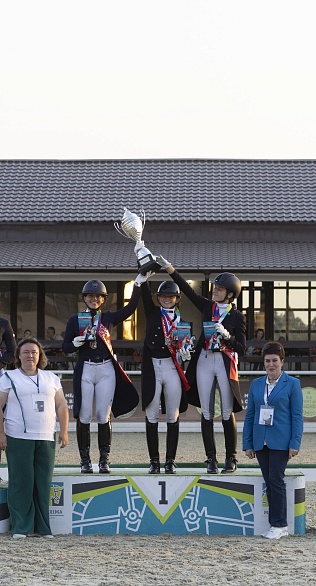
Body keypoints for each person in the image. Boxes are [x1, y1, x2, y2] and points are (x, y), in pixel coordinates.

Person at [156, 256, 246, 474]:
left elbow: (242, 347)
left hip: (224, 361)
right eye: (215, 287)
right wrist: (170, 269)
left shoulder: (236, 316)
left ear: (231, 293)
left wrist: (227, 335)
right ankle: (211, 459)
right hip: (205, 359)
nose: (215, 291)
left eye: (219, 289)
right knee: (206, 411)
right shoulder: (208, 307)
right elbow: (188, 291)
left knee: (226, 411)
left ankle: (231, 458)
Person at [62, 274, 149, 474]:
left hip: (105, 369)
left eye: (98, 296)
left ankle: (104, 460)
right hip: (85, 367)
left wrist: (137, 284)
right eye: (91, 296)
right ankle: (84, 460)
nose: (94, 299)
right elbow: (65, 346)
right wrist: (75, 343)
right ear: (84, 298)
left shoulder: (108, 318)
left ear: (103, 299)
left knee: (103, 415)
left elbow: (130, 309)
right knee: (84, 414)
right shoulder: (75, 320)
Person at [0, 337, 69, 538]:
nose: (30, 355)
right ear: (18, 356)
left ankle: (42, 528)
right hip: (18, 436)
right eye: (26, 352)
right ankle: (22, 527)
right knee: (22, 482)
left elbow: (62, 405)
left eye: (34, 352)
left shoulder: (51, 378)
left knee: (42, 482)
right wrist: (1, 434)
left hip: (46, 436)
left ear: (40, 356)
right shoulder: (8, 377)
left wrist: (64, 431)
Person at [242, 341, 303, 540]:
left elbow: (297, 416)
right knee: (269, 481)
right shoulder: (257, 384)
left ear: (282, 362)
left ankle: (280, 525)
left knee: (276, 480)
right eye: (267, 361)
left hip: (281, 441)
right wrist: (247, 443)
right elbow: (250, 415)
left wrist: (295, 443)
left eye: (275, 360)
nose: (271, 364)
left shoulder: (292, 384)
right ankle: (275, 525)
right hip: (261, 442)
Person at [140, 279, 191, 474]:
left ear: (177, 299)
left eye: (171, 296)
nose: (167, 299)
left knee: (173, 414)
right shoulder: (153, 313)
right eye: (163, 296)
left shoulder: (182, 322)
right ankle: (154, 461)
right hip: (153, 366)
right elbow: (145, 295)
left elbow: (185, 345)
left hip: (172, 367)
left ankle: (170, 460)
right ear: (159, 298)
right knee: (152, 413)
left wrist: (186, 353)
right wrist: (142, 273)